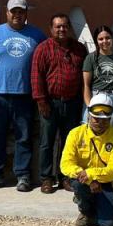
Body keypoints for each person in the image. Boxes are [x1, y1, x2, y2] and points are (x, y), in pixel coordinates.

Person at [0, 0, 46, 192]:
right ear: (6, 12)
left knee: (23, 137)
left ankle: (23, 176)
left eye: (21, 11)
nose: (17, 15)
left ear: (26, 14)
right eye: (13, 11)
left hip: (25, 95)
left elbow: (43, 62)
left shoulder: (37, 35)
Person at [31, 13, 88, 193]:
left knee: (68, 143)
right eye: (58, 26)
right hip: (50, 103)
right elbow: (36, 76)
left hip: (72, 103)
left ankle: (65, 177)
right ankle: (46, 178)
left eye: (65, 26)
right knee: (47, 142)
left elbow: (85, 76)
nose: (62, 29)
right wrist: (41, 101)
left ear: (69, 28)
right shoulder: (43, 49)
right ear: (51, 29)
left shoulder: (79, 49)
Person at [62, 94, 113, 226]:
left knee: (110, 224)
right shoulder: (75, 134)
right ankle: (85, 211)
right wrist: (89, 180)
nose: (100, 123)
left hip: (106, 181)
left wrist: (92, 174)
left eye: (105, 120)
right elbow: (66, 164)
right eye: (96, 119)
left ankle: (96, 208)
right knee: (78, 186)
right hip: (83, 180)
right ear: (88, 116)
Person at [82, 25, 113, 126]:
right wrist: (89, 106)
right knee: (88, 130)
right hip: (95, 97)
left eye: (107, 38)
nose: (105, 41)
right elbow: (86, 86)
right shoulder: (91, 58)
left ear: (112, 38)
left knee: (109, 131)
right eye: (100, 39)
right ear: (96, 41)